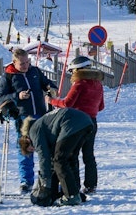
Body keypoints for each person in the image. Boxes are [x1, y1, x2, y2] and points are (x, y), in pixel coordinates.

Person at [0, 47, 58, 193]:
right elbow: (0, 98)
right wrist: (17, 96)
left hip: (42, 115)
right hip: (24, 117)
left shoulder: (34, 71)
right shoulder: (8, 76)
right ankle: (26, 181)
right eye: (22, 64)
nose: (25, 66)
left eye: (27, 62)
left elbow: (46, 83)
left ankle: (48, 177)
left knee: (46, 148)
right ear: (14, 63)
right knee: (26, 149)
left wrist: (51, 87)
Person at [48, 55, 105, 194]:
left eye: (72, 71)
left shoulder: (80, 84)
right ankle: (91, 185)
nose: (72, 74)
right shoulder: (98, 84)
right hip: (92, 122)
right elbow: (101, 107)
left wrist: (52, 100)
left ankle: (74, 185)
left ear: (78, 70)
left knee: (72, 154)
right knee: (88, 155)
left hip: (77, 123)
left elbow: (67, 103)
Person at [19, 107, 96, 207]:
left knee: (59, 160)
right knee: (70, 159)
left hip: (70, 123)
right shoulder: (43, 125)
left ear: (27, 141)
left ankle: (71, 196)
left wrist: (45, 183)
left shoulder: (33, 131)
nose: (35, 150)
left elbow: (44, 157)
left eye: (31, 149)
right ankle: (75, 191)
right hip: (86, 121)